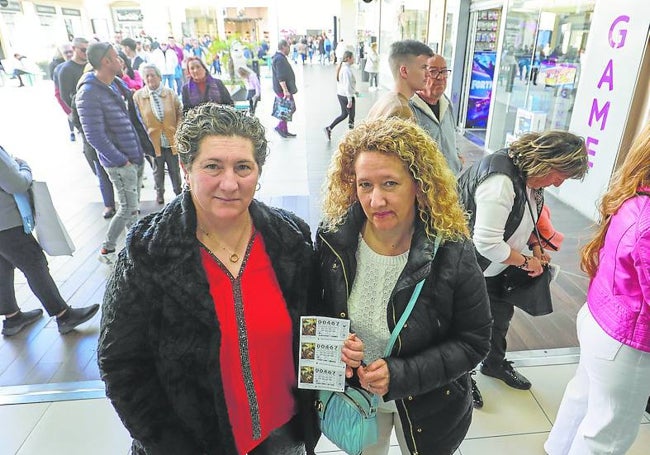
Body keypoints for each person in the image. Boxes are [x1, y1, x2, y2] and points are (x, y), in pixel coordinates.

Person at [98, 104, 320, 454]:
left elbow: (313, 327)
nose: (229, 183)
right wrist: (167, 443)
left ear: (258, 172)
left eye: (243, 167)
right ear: (186, 169)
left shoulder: (290, 239)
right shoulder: (148, 252)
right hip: (193, 443)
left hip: (283, 437)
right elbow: (121, 364)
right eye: (213, 166)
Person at [317, 117, 492, 454]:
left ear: (419, 184)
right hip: (359, 396)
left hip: (430, 402)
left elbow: (474, 341)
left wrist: (403, 375)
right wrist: (336, 347)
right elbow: (319, 311)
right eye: (365, 185)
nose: (376, 200)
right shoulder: (333, 239)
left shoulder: (452, 250)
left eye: (390, 184)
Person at [457, 130, 589, 409]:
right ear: (547, 161)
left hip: (497, 266)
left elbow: (524, 217)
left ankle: (493, 364)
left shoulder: (530, 178)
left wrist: (536, 246)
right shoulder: (501, 181)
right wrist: (525, 261)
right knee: (467, 325)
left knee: (499, 319)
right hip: (468, 265)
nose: (559, 183)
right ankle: (461, 379)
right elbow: (486, 242)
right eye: (560, 175)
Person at [544, 123, 650, 455]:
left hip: (599, 318)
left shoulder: (635, 196)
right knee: (607, 435)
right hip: (626, 342)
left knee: (583, 400)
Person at [0, 145, 99, 336]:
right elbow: (17, 184)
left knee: (2, 268)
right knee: (34, 263)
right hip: (6, 223)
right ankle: (64, 315)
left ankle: (12, 318)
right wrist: (24, 167)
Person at [75, 42, 151, 264]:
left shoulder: (116, 84)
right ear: (106, 61)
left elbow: (131, 119)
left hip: (133, 155)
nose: (121, 60)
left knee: (133, 207)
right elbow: (94, 136)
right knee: (127, 207)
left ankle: (134, 248)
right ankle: (107, 249)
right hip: (120, 162)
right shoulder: (88, 93)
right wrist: (121, 160)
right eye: (116, 57)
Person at [57, 37, 116, 220]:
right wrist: (76, 117)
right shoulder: (68, 72)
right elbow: (62, 96)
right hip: (89, 127)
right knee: (101, 169)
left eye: (87, 50)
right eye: (82, 50)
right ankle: (109, 204)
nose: (84, 53)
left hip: (108, 131)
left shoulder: (106, 83)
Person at [133, 64, 183, 205]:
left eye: (152, 75)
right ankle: (159, 193)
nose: (150, 78)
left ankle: (178, 192)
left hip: (171, 138)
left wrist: (178, 131)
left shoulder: (170, 93)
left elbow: (179, 113)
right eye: (146, 76)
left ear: (159, 77)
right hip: (153, 141)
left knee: (174, 169)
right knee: (157, 170)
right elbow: (137, 119)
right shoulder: (138, 96)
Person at [410, 53, 463, 176]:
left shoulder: (446, 103)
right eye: (433, 71)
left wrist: (457, 158)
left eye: (444, 71)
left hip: (451, 181)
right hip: (426, 185)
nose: (440, 77)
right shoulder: (409, 108)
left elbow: (452, 136)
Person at [366, 40, 433, 121]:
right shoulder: (401, 111)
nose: (429, 74)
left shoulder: (384, 101)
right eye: (424, 67)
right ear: (404, 71)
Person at [324, 50, 357, 141]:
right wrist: (350, 100)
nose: (354, 59)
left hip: (341, 94)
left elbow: (345, 84)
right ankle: (351, 137)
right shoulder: (346, 70)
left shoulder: (343, 67)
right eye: (353, 57)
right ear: (349, 58)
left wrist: (354, 91)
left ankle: (329, 128)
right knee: (351, 116)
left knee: (344, 114)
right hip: (346, 96)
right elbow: (346, 85)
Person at [271, 39, 298, 138]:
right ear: (283, 47)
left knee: (286, 108)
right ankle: (279, 127)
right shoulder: (279, 59)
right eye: (288, 47)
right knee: (289, 108)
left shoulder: (280, 58)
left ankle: (284, 129)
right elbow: (280, 76)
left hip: (282, 89)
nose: (289, 49)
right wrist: (285, 90)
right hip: (282, 90)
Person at [51, 43, 76, 142]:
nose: (69, 54)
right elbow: (58, 94)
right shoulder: (58, 69)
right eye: (66, 52)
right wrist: (69, 111)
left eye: (71, 51)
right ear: (61, 54)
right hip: (72, 106)